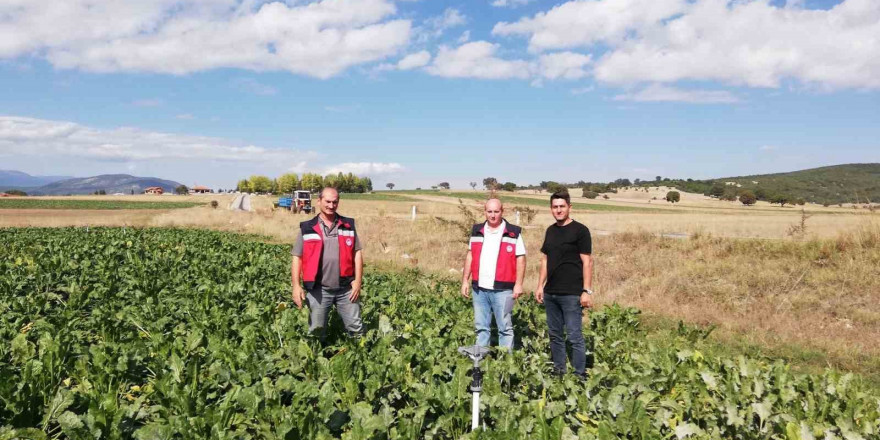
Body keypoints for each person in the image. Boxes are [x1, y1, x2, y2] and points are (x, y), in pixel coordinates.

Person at [291, 187, 363, 340]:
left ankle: (360, 358)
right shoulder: (307, 228)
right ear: (319, 201)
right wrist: (296, 286)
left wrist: (358, 281)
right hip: (319, 290)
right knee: (316, 332)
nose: (331, 205)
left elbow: (357, 253)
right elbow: (297, 257)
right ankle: (317, 361)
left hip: (346, 289)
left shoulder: (348, 225)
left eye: (335, 202)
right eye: (327, 202)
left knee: (356, 329)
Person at [535, 190, 594, 377]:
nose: (558, 210)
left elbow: (587, 262)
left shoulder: (581, 231)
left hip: (571, 293)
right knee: (555, 335)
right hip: (551, 292)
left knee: (575, 336)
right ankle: (559, 372)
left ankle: (579, 376)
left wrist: (586, 291)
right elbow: (545, 260)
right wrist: (539, 286)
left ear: (569, 207)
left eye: (562, 206)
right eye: (555, 207)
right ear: (551, 209)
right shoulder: (550, 231)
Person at [460, 197, 526, 350]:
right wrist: (465, 280)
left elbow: (521, 259)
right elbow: (470, 255)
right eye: (489, 211)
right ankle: (481, 363)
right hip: (479, 290)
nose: (493, 215)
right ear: (485, 212)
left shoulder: (513, 233)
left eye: (496, 211)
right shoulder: (477, 231)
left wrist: (518, 284)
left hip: (504, 291)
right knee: (481, 328)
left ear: (502, 211)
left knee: (505, 328)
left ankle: (504, 366)